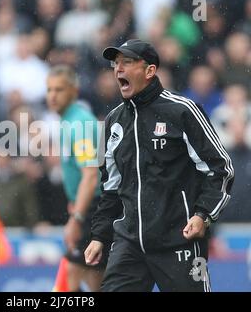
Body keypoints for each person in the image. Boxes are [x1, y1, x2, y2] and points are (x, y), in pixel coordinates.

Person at [84, 39, 234, 292]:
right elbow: (110, 187)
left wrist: (203, 215)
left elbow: (221, 169)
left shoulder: (183, 111)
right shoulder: (113, 122)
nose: (118, 69)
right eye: (115, 64)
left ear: (150, 71)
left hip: (179, 240)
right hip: (129, 243)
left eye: (127, 62)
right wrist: (99, 236)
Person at [46, 65, 107, 291]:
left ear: (74, 91)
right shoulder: (71, 121)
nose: (52, 96)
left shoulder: (79, 125)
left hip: (94, 208)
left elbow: (90, 175)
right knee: (92, 278)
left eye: (59, 90)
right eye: (49, 89)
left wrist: (78, 218)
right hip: (89, 206)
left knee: (78, 274)